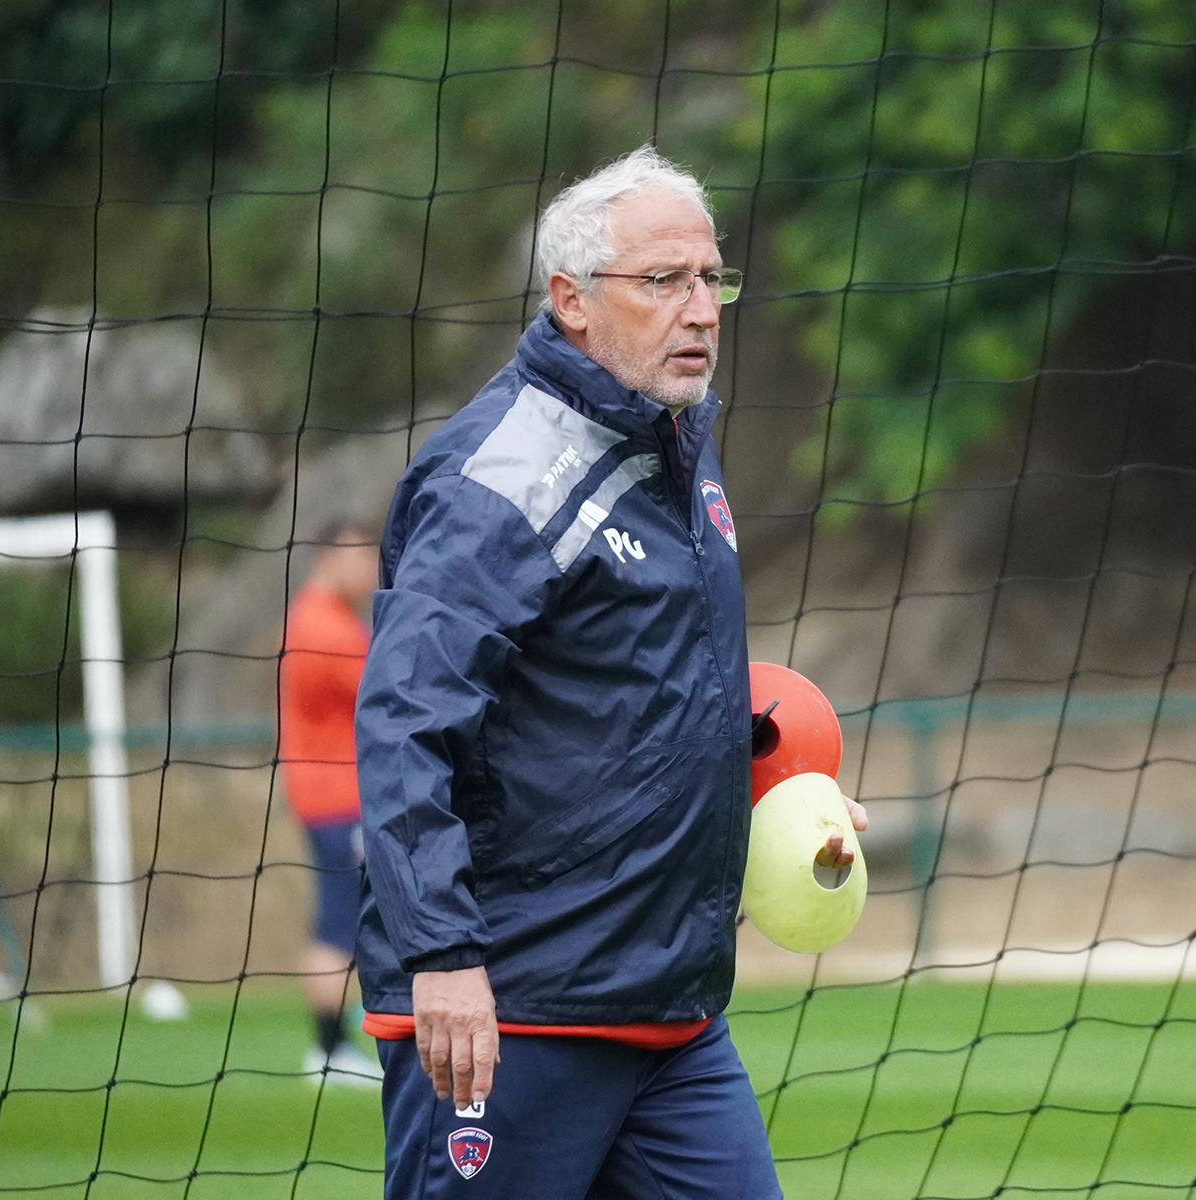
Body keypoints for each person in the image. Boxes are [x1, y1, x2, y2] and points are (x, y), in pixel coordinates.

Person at [354, 145, 867, 1198]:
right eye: (663, 280)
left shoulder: (677, 447)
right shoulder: (498, 478)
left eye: (711, 278)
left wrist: (773, 790)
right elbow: (406, 721)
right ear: (571, 300)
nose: (701, 309)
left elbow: (628, 698)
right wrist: (442, 956)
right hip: (514, 1010)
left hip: (670, 1016)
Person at [278, 520, 384, 1086]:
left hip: (331, 796)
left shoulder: (321, 618)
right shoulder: (326, 627)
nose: (369, 571)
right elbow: (388, 690)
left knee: (348, 918)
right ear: (330, 558)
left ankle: (336, 1044)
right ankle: (328, 1049)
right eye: (359, 558)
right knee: (339, 922)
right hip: (338, 800)